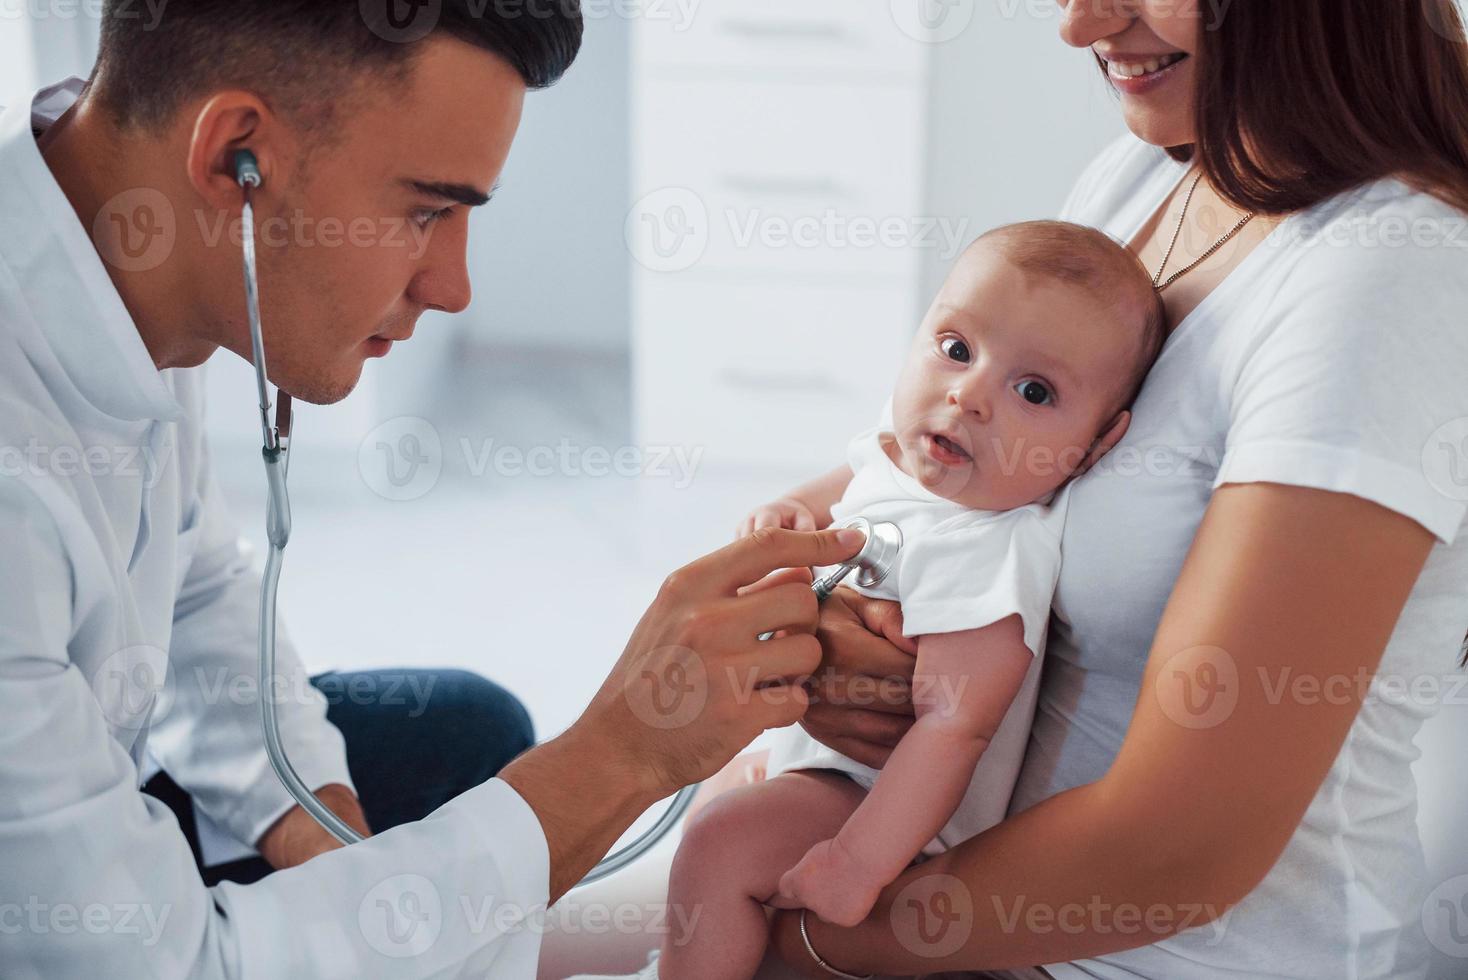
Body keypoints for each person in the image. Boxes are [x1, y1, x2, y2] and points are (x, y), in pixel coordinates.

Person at [553, 2, 1468, 978]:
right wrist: (839, 654)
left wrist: (810, 937)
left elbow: (1183, 849)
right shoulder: (1142, 179)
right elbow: (937, 483)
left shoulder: (1387, 280)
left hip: (1132, 954)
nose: (1080, 26)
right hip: (932, 856)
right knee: (484, 939)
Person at [0, 2, 872, 977]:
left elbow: (198, 596)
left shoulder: (124, 256)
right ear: (233, 156)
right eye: (425, 210)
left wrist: (322, 837)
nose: (454, 285)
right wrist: (623, 751)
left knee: (465, 730)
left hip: (78, 775)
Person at [606, 223, 1166, 980]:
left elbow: (955, 726)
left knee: (720, 844)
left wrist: (857, 863)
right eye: (957, 349)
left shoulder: (989, 548)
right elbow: (851, 486)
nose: (968, 396)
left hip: (893, 817)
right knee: (714, 802)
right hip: (825, 768)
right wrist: (790, 513)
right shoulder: (907, 457)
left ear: (1097, 445)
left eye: (1033, 391)